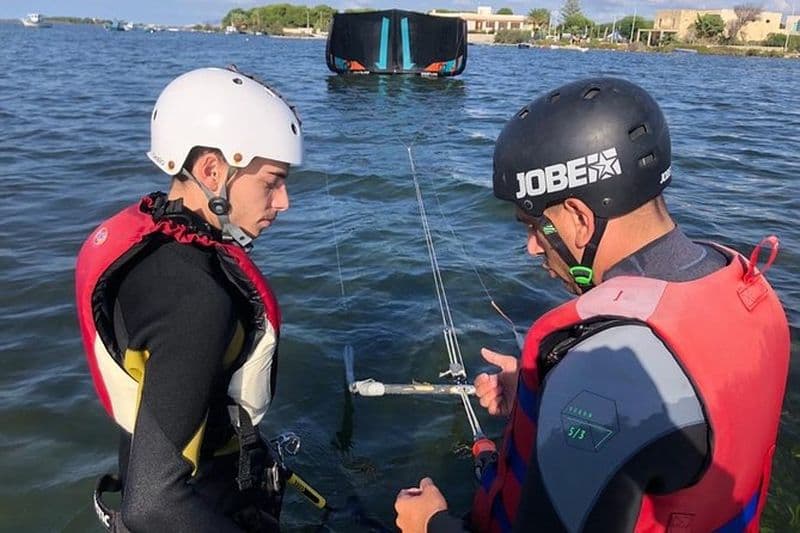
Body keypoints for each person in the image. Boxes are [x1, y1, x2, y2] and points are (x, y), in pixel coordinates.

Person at [394, 77, 790, 532]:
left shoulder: (602, 372)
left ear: (580, 219)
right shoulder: (742, 286)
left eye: (534, 225)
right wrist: (538, 388)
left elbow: (625, 400)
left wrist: (432, 524)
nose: (531, 248)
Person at [75, 66, 303, 532]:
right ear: (212, 171)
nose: (284, 202)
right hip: (202, 501)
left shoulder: (152, 246)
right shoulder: (197, 299)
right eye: (272, 181)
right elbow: (153, 503)